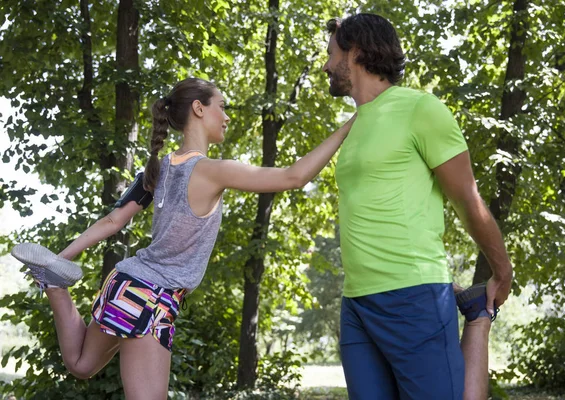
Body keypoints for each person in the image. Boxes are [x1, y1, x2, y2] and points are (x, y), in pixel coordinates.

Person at [11, 77, 355, 400]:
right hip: (151, 296)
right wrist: (349, 125)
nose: (227, 116)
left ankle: (55, 283)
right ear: (198, 108)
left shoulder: (158, 168)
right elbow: (293, 177)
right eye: (223, 106)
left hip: (127, 283)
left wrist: (61, 257)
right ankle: (55, 280)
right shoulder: (212, 170)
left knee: (82, 365)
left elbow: (113, 221)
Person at [321, 14, 513, 400]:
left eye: (330, 54)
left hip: (412, 293)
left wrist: (502, 270)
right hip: (356, 302)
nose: (326, 65)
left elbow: (467, 199)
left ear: (355, 53)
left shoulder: (420, 109)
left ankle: (478, 319)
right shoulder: (354, 125)